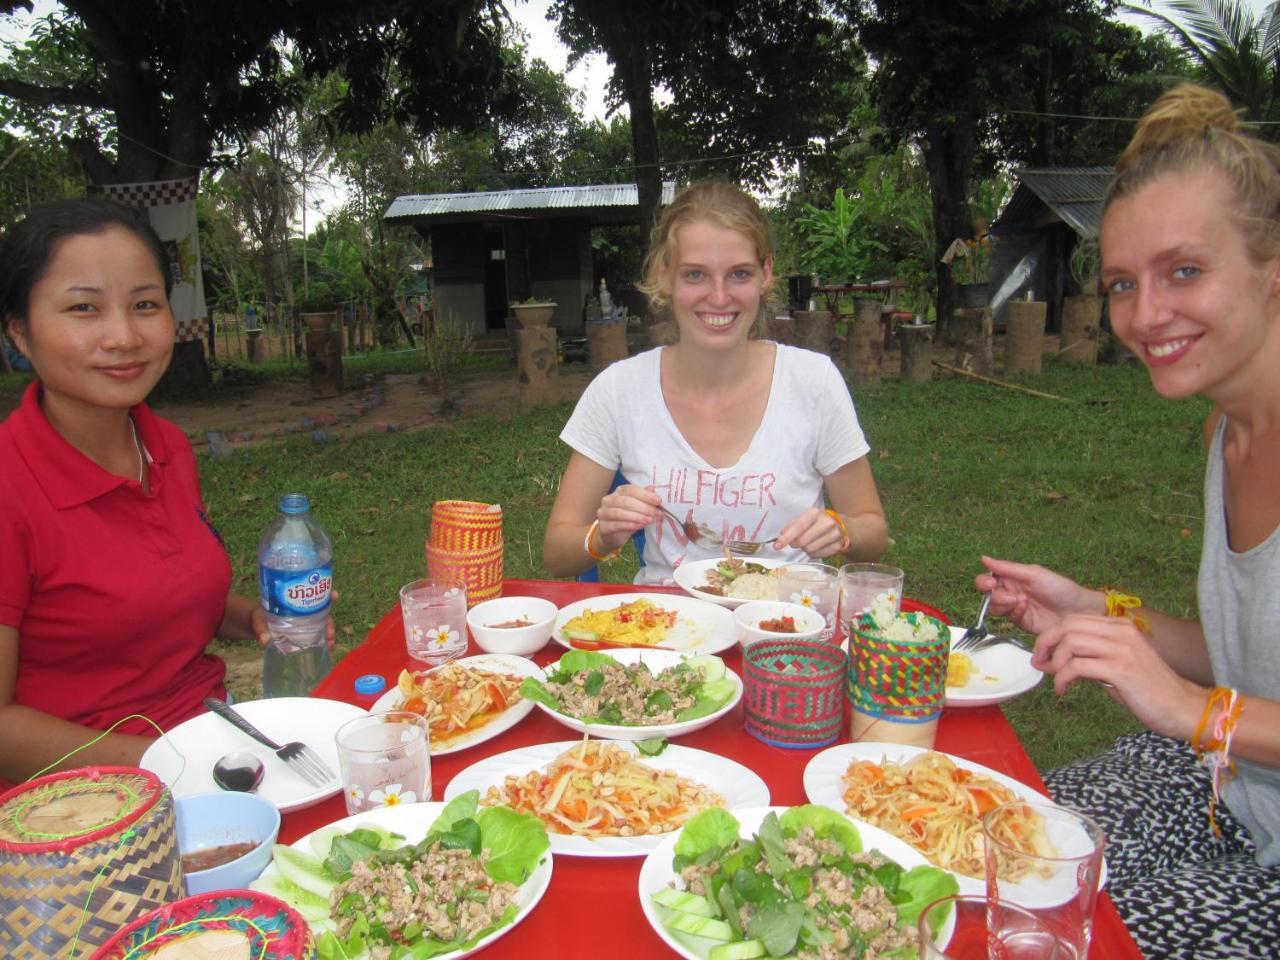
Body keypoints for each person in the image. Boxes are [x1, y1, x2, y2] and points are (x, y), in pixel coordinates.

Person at [977, 84, 1280, 958]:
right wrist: (1092, 610)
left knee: (1069, 938)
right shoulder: (1230, 428)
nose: (1146, 315)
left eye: (1185, 271)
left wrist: (1193, 712)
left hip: (1235, 794)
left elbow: (1213, 697)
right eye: (1122, 284)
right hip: (1229, 788)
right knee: (1004, 854)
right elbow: (1249, 659)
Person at [0, 197, 328, 785]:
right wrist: (174, 766)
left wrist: (250, 616)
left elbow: (156, 598)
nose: (123, 336)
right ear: (19, 331)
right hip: (86, 807)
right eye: (84, 309)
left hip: (217, 744)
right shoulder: (9, 486)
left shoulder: (166, 448)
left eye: (145, 305)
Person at [544, 181, 888, 584]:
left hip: (788, 630)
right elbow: (557, 552)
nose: (719, 297)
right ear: (664, 276)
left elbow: (873, 531)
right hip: (666, 630)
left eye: (739, 274)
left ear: (766, 274)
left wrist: (841, 529)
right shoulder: (619, 391)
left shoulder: (813, 383)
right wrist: (600, 536)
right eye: (696, 275)